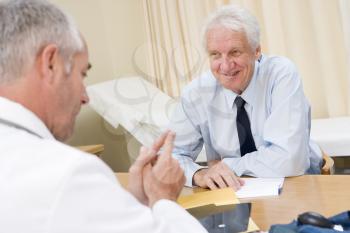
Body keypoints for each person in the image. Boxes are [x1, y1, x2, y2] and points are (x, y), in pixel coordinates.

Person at [0, 0, 207, 232]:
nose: (85, 97)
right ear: (51, 64)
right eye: (82, 73)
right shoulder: (67, 174)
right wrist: (164, 199)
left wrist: (135, 203)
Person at [169, 5, 322, 189]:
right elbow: (169, 157)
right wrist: (197, 174)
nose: (225, 66)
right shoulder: (196, 93)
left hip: (297, 186)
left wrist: (226, 166)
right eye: (215, 55)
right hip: (232, 197)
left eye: (235, 52)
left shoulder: (281, 74)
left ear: (256, 50)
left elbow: (289, 161)